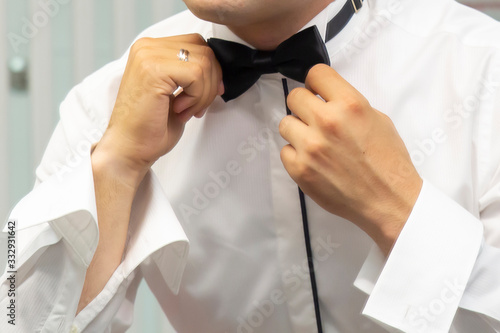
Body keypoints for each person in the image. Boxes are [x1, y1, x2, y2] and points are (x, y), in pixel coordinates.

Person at [1, 0, 500, 331]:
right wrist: (116, 164)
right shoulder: (106, 105)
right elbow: (13, 311)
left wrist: (399, 210)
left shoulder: (484, 71)